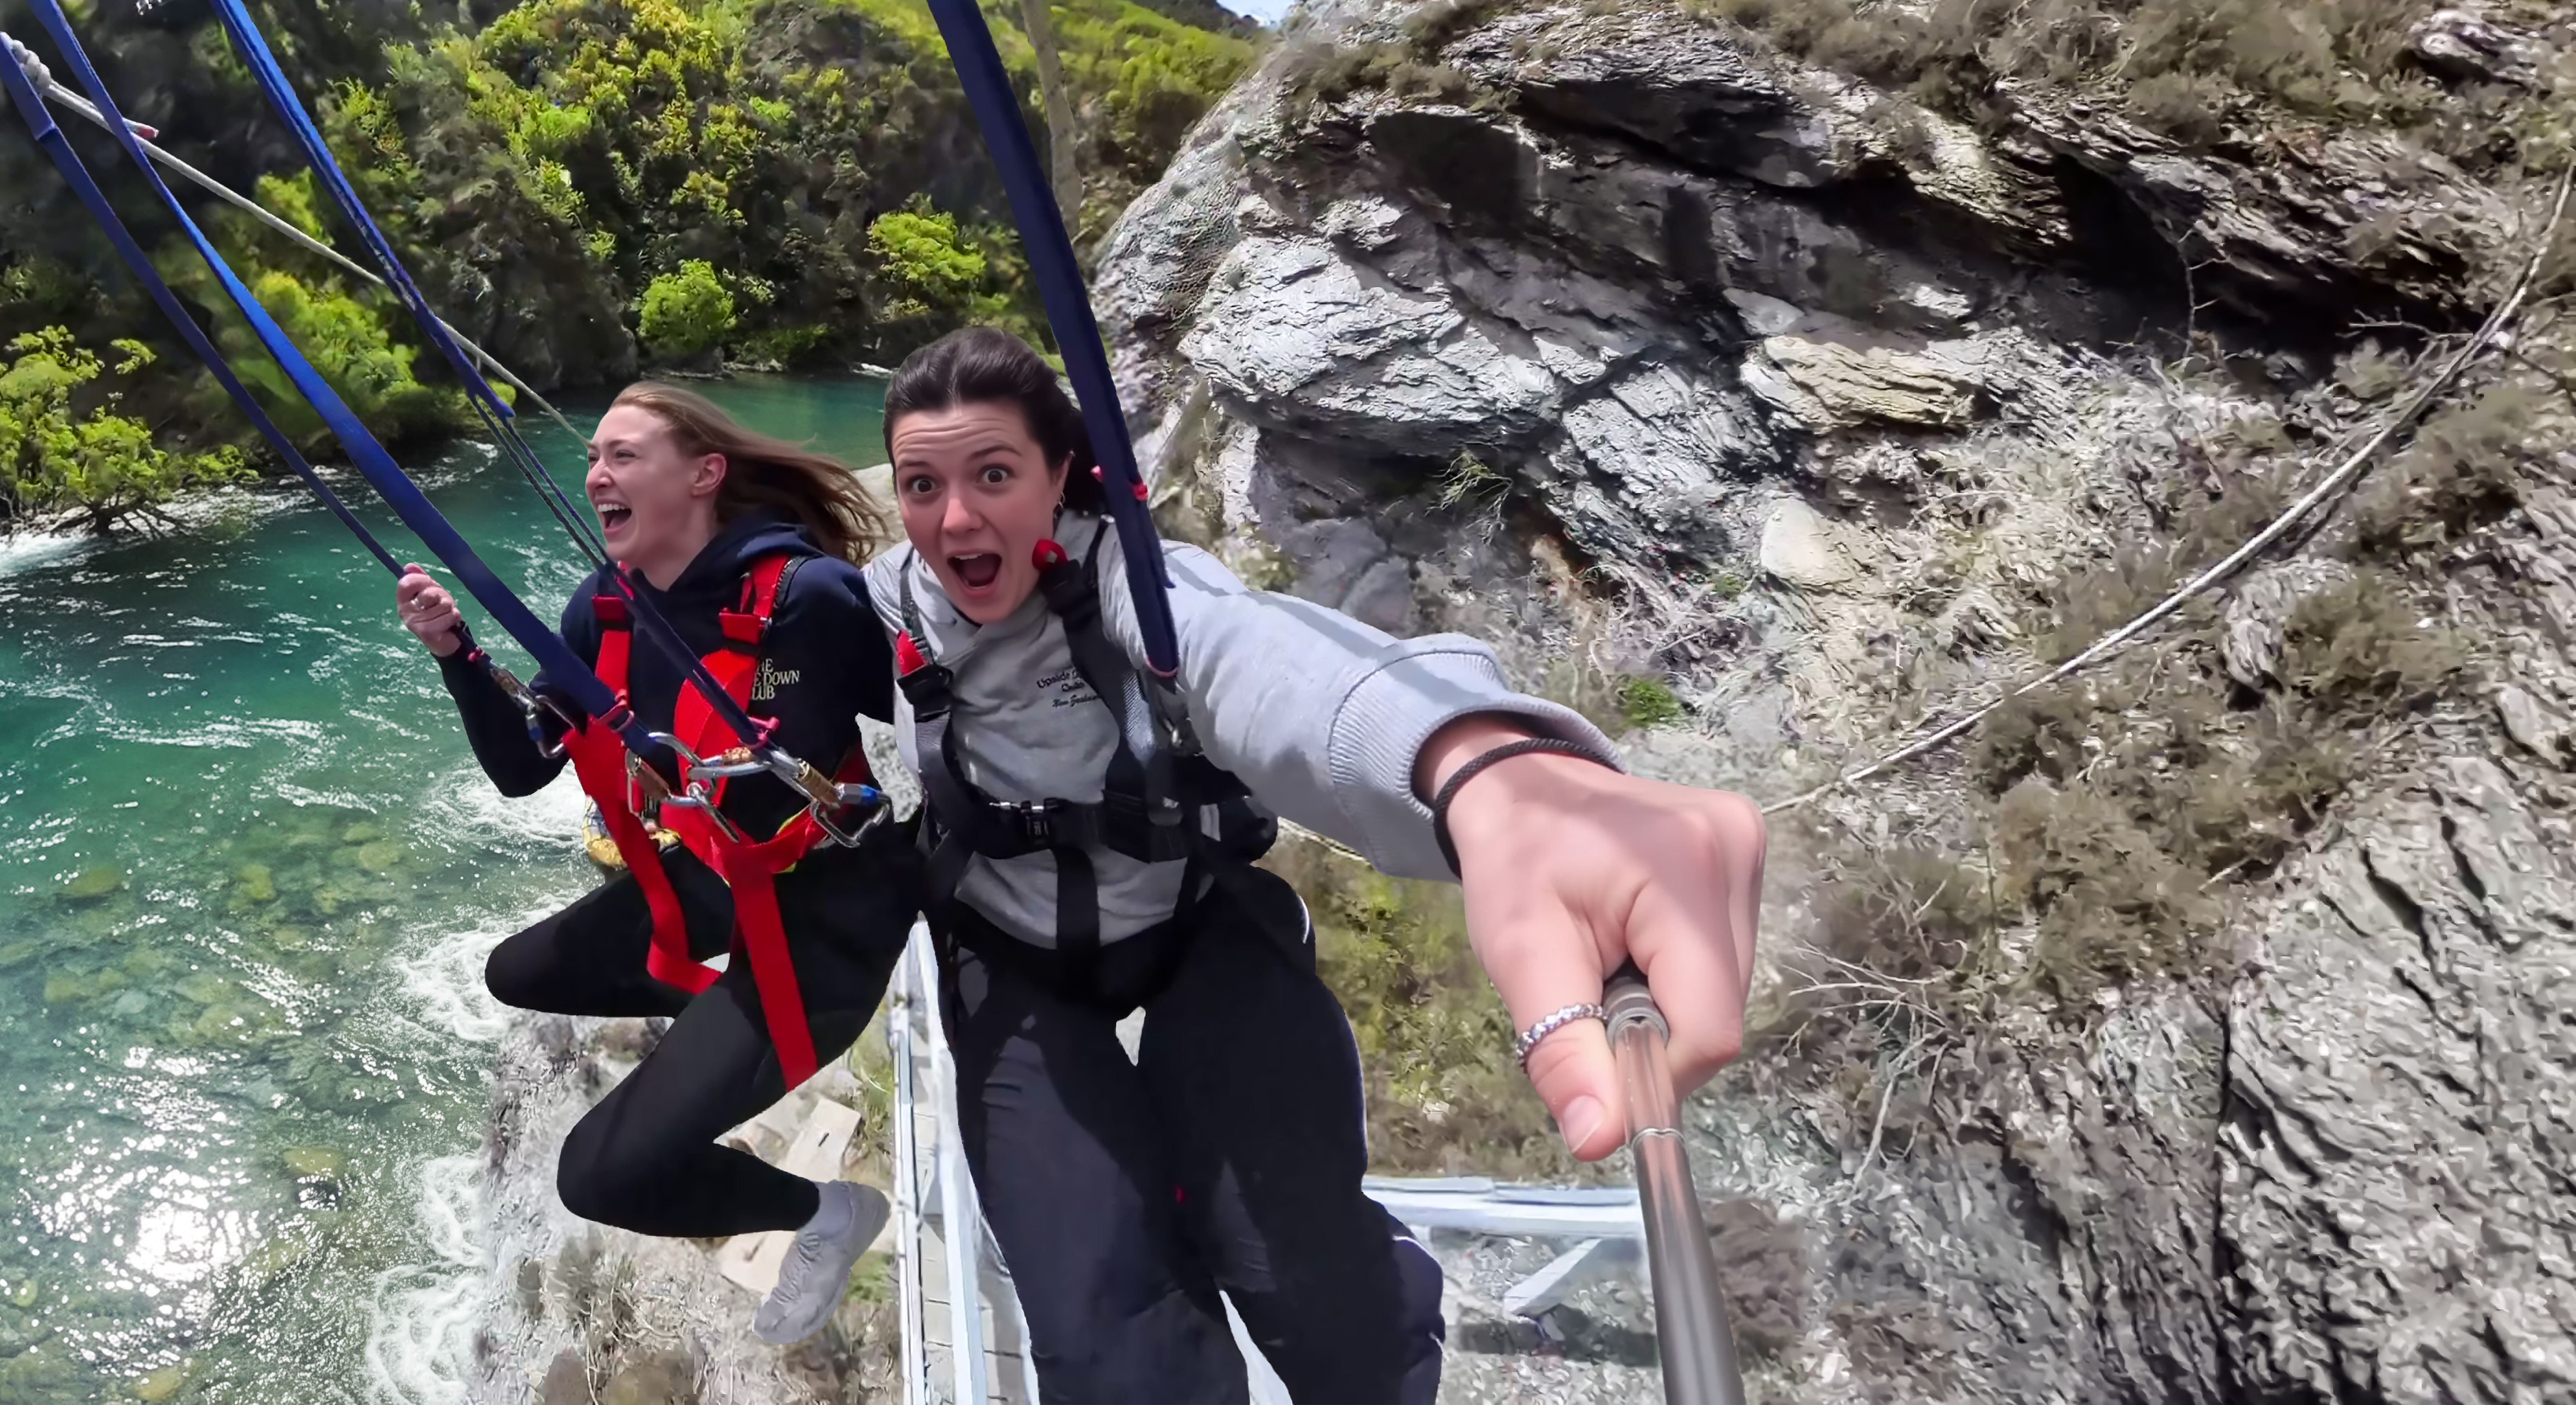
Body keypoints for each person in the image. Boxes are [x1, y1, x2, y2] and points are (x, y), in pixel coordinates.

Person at [867, 327, 1768, 1405]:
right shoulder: (883, 606)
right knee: (1104, 1341)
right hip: (1008, 957)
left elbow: (1255, 658)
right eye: (921, 486)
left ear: (1061, 476)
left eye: (994, 475)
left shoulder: (1137, 584)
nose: (955, 519)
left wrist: (1482, 769)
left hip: (1191, 921)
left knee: (1313, 1284)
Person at [395, 383, 919, 1345]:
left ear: (704, 474)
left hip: (830, 917)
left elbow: (868, 737)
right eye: (593, 458)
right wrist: (459, 658)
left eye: (623, 455)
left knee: (601, 1176)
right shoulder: (605, 611)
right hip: (724, 885)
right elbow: (521, 768)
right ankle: (722, 1035)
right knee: (516, 970)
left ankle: (830, 1218)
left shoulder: (799, 603)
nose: (597, 474)